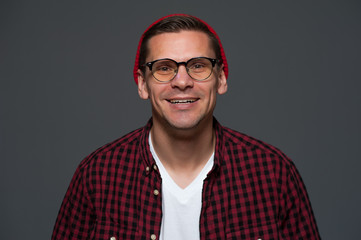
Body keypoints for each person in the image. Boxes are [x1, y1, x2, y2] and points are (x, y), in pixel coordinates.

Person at [52, 14, 320, 240]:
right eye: (164, 68)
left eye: (198, 65)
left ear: (222, 79)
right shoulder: (97, 176)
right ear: (142, 84)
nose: (182, 81)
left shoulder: (273, 173)